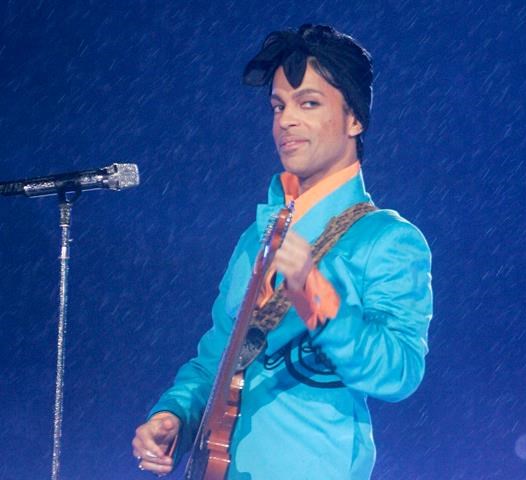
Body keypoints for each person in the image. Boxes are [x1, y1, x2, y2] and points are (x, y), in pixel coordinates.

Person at [132, 24, 433, 480]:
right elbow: (216, 361)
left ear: (355, 119)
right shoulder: (256, 238)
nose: (286, 120)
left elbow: (399, 372)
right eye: (279, 106)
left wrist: (317, 299)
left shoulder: (387, 239)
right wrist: (174, 415)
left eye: (308, 103)